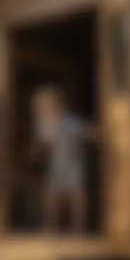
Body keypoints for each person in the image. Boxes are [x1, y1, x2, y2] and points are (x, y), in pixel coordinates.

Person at [31, 86, 99, 235]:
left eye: (48, 105)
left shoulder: (71, 121)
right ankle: (50, 229)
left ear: (59, 105)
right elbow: (42, 142)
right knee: (51, 198)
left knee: (77, 198)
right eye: (42, 107)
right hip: (56, 165)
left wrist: (96, 133)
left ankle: (79, 229)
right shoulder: (44, 124)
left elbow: (86, 130)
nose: (45, 109)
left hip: (74, 165)